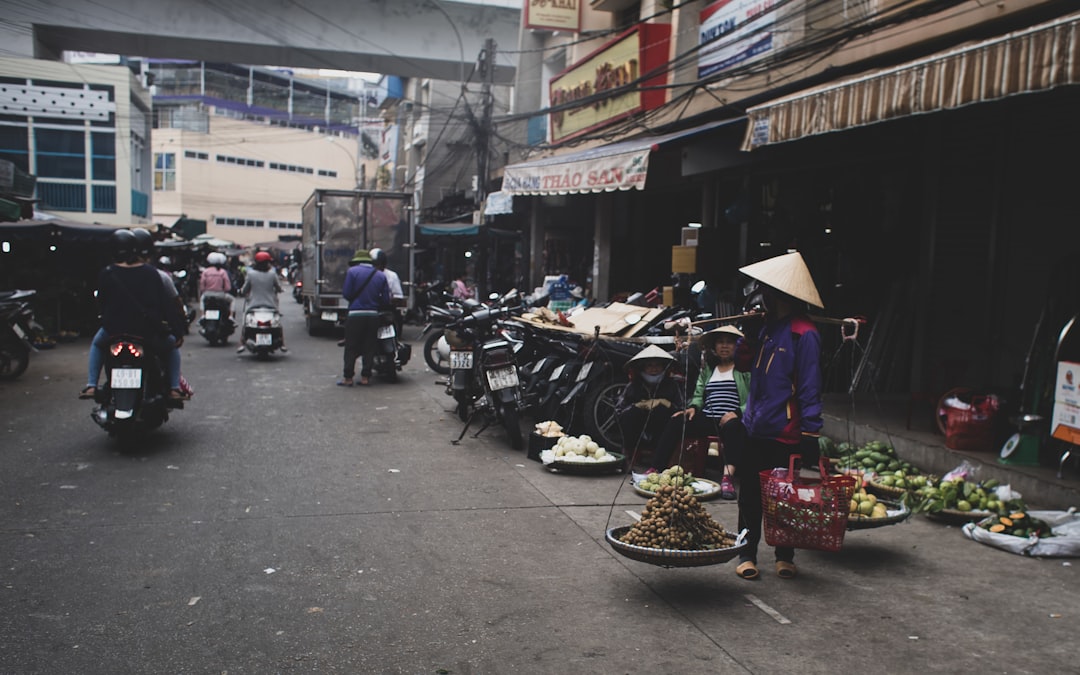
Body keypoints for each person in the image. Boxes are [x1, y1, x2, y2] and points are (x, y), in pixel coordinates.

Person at [733, 251, 825, 582]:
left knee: (783, 497)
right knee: (750, 498)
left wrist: (811, 436)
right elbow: (744, 365)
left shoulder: (804, 333)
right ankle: (745, 552)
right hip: (754, 426)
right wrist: (749, 334)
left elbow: (810, 388)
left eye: (767, 289)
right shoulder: (767, 327)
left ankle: (784, 555)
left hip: (785, 432)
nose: (762, 294)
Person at [80, 229, 188, 401]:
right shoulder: (151, 273)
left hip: (113, 331)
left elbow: (100, 303)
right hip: (146, 332)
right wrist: (177, 331)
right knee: (171, 348)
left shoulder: (107, 273)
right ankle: (174, 388)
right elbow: (166, 305)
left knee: (97, 345)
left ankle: (91, 385)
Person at [647, 325, 749, 501]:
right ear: (714, 347)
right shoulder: (709, 370)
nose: (724, 346)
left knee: (733, 428)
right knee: (677, 420)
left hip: (731, 419)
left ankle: (727, 478)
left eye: (729, 343)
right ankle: (656, 469)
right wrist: (693, 406)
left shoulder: (744, 371)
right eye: (720, 343)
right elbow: (699, 394)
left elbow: (754, 399)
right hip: (709, 417)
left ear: (737, 346)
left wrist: (738, 413)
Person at [614, 345, 687, 464]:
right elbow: (618, 412)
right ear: (643, 368)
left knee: (661, 410)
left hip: (662, 432)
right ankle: (629, 453)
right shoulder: (633, 386)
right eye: (649, 365)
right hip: (638, 432)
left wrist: (665, 403)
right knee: (632, 413)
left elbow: (682, 410)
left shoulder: (672, 385)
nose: (654, 369)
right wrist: (637, 406)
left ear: (663, 367)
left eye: (657, 365)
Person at [339, 249, 390, 386]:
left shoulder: (352, 272)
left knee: (351, 346)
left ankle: (348, 378)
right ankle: (365, 378)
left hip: (355, 314)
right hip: (373, 316)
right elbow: (385, 300)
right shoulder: (380, 275)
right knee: (369, 347)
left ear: (356, 261)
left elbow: (347, 294)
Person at [238, 251, 287, 353]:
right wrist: (279, 290)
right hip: (270, 305)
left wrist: (242, 292)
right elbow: (278, 288)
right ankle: (282, 343)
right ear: (268, 263)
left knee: (245, 322)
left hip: (253, 305)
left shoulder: (251, 274)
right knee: (278, 323)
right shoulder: (272, 274)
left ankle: (242, 343)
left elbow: (245, 289)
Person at [199, 251, 233, 316]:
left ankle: (202, 315)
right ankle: (231, 317)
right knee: (232, 300)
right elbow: (227, 287)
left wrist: (204, 290)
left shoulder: (205, 271)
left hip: (207, 294)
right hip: (220, 295)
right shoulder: (222, 272)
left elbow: (202, 283)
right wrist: (225, 290)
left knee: (202, 300)